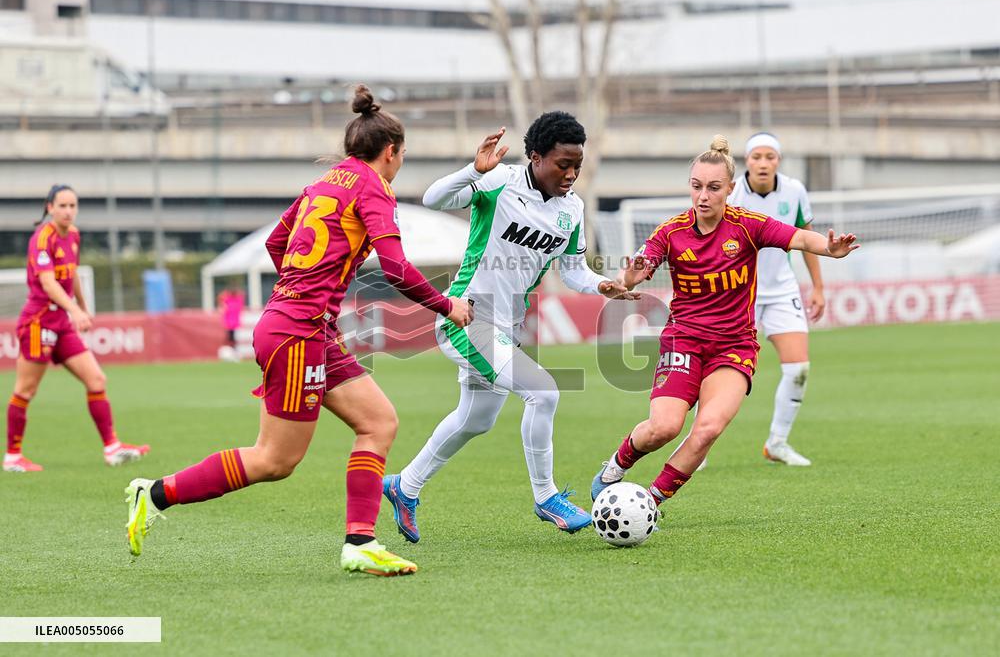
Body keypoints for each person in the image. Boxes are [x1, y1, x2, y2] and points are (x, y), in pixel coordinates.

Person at [123, 85, 473, 576]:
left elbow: (276, 242)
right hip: (298, 333)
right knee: (274, 460)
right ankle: (155, 493)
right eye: (402, 155)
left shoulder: (324, 183)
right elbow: (395, 268)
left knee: (378, 421)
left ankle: (360, 542)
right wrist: (445, 305)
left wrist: (306, 290)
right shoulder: (374, 186)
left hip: (303, 327)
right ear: (391, 152)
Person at [382, 113, 637, 543]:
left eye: (577, 164)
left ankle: (404, 487)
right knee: (544, 391)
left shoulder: (571, 209)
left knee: (475, 419)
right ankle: (546, 496)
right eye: (563, 164)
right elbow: (432, 198)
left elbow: (573, 271)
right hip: (467, 316)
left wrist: (602, 285)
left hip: (508, 324)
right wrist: (472, 171)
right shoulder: (499, 182)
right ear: (535, 157)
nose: (572, 174)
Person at [590, 136, 858, 510]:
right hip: (683, 341)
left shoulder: (748, 225)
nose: (703, 196)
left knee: (708, 430)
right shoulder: (670, 232)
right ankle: (615, 467)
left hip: (733, 346)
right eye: (697, 186)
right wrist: (632, 275)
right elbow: (637, 269)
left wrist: (828, 249)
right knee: (664, 428)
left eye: (713, 188)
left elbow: (797, 236)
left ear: (730, 189)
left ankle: (646, 505)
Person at [4, 185, 150, 473]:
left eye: (73, 205)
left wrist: (83, 306)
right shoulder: (41, 238)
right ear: (50, 207)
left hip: (61, 324)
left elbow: (72, 274)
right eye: (63, 206)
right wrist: (74, 311)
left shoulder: (73, 235)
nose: (68, 211)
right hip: (38, 322)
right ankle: (12, 456)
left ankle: (112, 447)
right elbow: (48, 283)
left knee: (96, 379)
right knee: (26, 389)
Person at [727, 132, 823, 465]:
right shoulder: (731, 191)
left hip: (782, 290)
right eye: (757, 157)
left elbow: (808, 239)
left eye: (770, 156)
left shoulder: (795, 191)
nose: (763, 163)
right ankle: (699, 441)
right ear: (747, 161)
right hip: (738, 295)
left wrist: (818, 288)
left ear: (778, 161)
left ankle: (777, 443)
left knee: (798, 368)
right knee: (717, 370)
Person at [217, 285, 245, 361]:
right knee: (230, 340)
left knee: (234, 340)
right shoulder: (228, 300)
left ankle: (234, 353)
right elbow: (221, 297)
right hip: (229, 324)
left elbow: (242, 294)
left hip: (235, 324)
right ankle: (231, 353)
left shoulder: (237, 300)